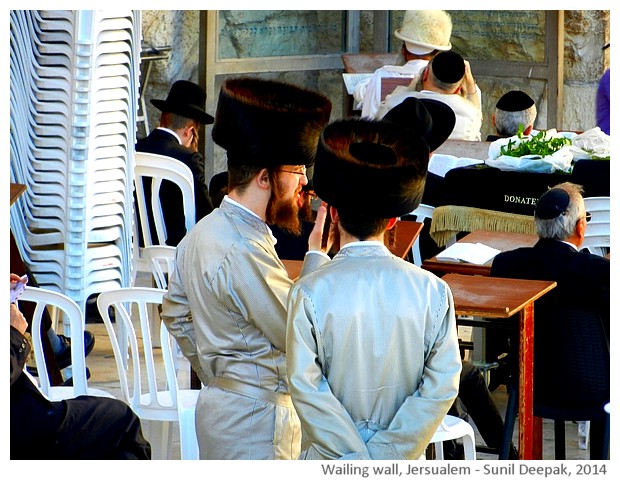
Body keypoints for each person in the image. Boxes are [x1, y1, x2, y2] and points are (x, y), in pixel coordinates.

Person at [160, 77, 333, 460]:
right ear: (264, 177)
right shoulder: (244, 249)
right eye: (297, 170)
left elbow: (174, 312)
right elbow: (301, 330)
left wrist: (219, 376)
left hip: (223, 410)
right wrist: (317, 257)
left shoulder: (203, 231)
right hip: (254, 425)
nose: (304, 180)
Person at [286, 117, 462, 460]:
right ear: (395, 219)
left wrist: (355, 459)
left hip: (329, 461)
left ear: (332, 214)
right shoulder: (433, 292)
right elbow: (441, 387)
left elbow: (306, 388)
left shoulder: (307, 293)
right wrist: (385, 455)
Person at [490, 182, 610, 458]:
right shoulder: (597, 272)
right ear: (580, 228)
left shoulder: (506, 265)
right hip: (593, 386)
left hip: (530, 384)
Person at [10, 274, 151, 460]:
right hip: (21, 422)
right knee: (123, 422)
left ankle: (54, 346)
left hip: (23, 406)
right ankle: (55, 347)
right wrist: (13, 334)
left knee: (111, 420)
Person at [136, 79, 214, 246]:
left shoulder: (134, 149)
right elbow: (205, 215)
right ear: (190, 130)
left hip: (137, 247)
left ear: (163, 118)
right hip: (178, 251)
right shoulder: (188, 158)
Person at [353, 10, 453, 119]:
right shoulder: (452, 81)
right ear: (437, 54)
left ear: (403, 50)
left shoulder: (381, 76)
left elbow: (368, 119)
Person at [376, 50, 483, 141]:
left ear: (426, 73)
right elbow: (477, 114)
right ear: (458, 88)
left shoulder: (393, 104)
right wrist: (470, 86)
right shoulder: (470, 115)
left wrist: (414, 83)